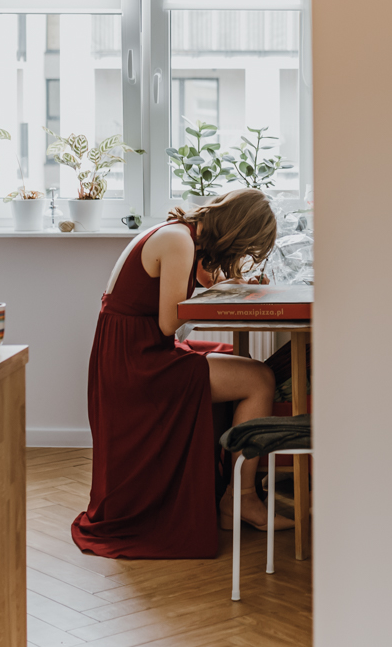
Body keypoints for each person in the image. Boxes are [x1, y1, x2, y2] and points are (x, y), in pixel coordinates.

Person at [71, 188, 294, 560]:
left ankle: (226, 489)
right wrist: (225, 291)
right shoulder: (178, 241)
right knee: (260, 380)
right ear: (237, 233)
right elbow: (167, 323)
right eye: (245, 247)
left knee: (231, 357)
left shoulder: (179, 232)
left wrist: (228, 287)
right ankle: (240, 499)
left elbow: (185, 294)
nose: (242, 255)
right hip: (139, 362)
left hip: (131, 352)